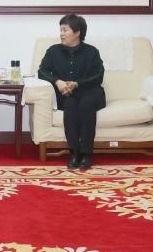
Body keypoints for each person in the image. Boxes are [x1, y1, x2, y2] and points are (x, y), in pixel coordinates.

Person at [38, 14, 105, 171]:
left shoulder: (92, 52)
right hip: (66, 94)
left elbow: (98, 76)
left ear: (77, 32)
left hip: (90, 92)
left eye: (65, 30)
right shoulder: (53, 51)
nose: (61, 33)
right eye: (60, 30)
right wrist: (57, 82)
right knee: (70, 104)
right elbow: (42, 71)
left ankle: (86, 154)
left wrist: (77, 84)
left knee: (86, 104)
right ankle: (74, 153)